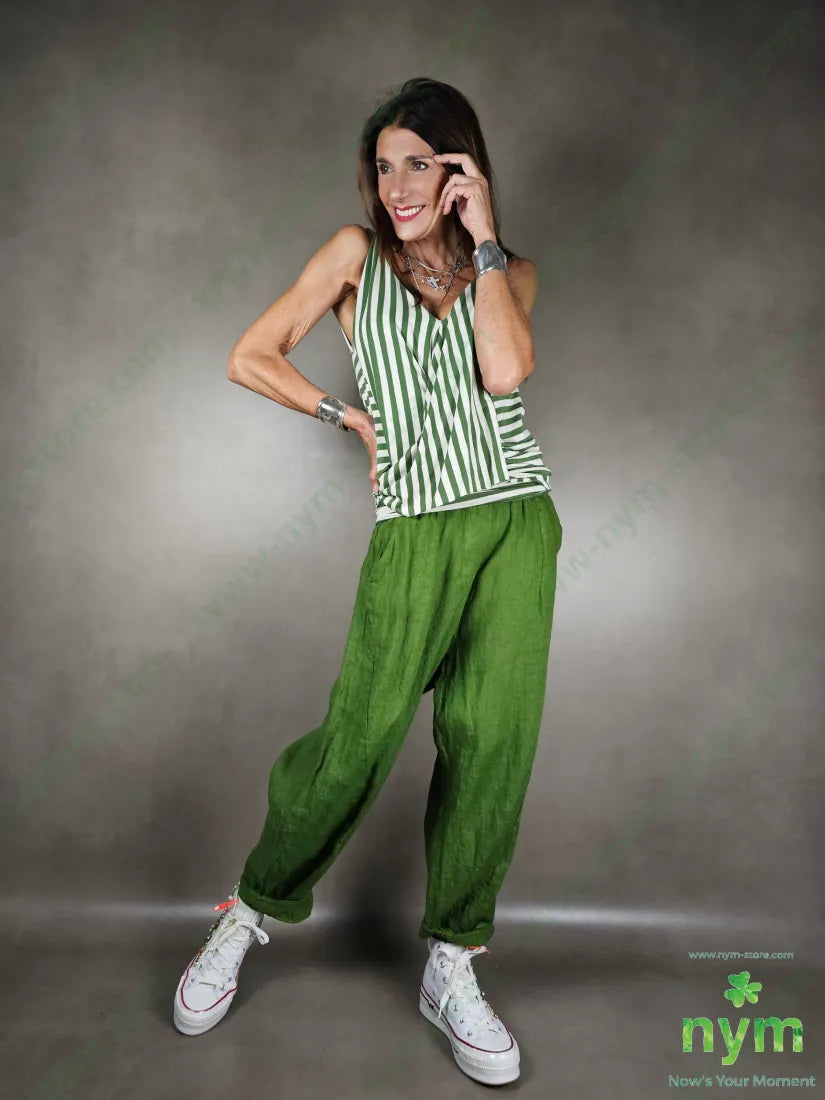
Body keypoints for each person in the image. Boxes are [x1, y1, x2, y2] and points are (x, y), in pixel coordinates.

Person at [172, 77, 563, 1087]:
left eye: (419, 164)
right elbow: (250, 355)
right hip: (415, 531)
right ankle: (247, 910)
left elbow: (505, 372)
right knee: (358, 739)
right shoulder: (354, 256)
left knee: (491, 742)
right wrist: (341, 416)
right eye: (384, 166)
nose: (397, 186)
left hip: (516, 523)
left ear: (462, 169)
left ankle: (453, 961)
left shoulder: (510, 271)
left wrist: (485, 240)